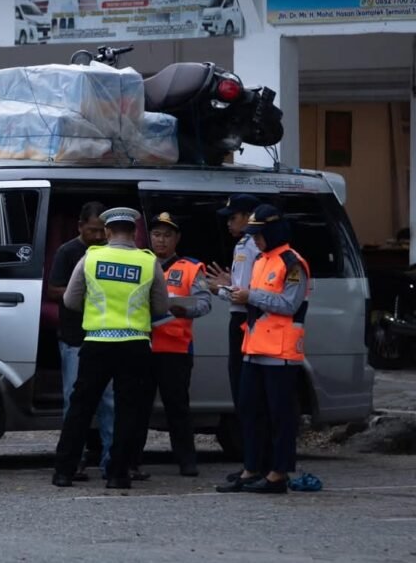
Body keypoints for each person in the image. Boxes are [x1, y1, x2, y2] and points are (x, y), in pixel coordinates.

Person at [52, 207, 169, 489]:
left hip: (97, 343)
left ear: (107, 232)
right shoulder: (148, 261)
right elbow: (161, 306)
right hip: (134, 345)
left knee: (80, 408)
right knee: (127, 410)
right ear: (134, 233)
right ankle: (118, 474)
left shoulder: (91, 258)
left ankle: (64, 471)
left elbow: (70, 301)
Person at [216, 204, 311, 495]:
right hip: (254, 347)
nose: (255, 240)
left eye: (259, 235)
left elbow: (289, 304)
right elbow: (250, 299)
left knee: (279, 416)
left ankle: (278, 473)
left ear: (274, 232)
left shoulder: (292, 263)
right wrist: (225, 291)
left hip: (280, 353)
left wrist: (250, 296)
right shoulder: (261, 260)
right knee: (249, 410)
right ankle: (252, 468)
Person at [132, 212, 211, 477]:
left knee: (177, 408)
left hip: (175, 350)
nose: (161, 240)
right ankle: (132, 461)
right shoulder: (139, 263)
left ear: (177, 238)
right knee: (138, 408)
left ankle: (187, 461)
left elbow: (205, 303)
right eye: (156, 234)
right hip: (141, 347)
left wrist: (184, 310)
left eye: (167, 235)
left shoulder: (191, 268)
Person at [46, 201, 114, 481]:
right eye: (92, 230)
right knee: (74, 402)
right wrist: (85, 292)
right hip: (74, 336)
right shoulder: (68, 252)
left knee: (109, 402)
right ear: (79, 226)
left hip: (106, 335)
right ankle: (75, 461)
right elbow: (53, 290)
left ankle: (112, 462)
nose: (97, 236)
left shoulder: (112, 253)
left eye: (102, 231)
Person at [206, 194, 261, 416]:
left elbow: (242, 294)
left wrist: (218, 289)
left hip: (243, 317)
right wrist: (230, 283)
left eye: (233, 217)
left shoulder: (247, 246)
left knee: (241, 383)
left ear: (248, 217)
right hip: (249, 317)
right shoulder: (250, 244)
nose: (228, 223)